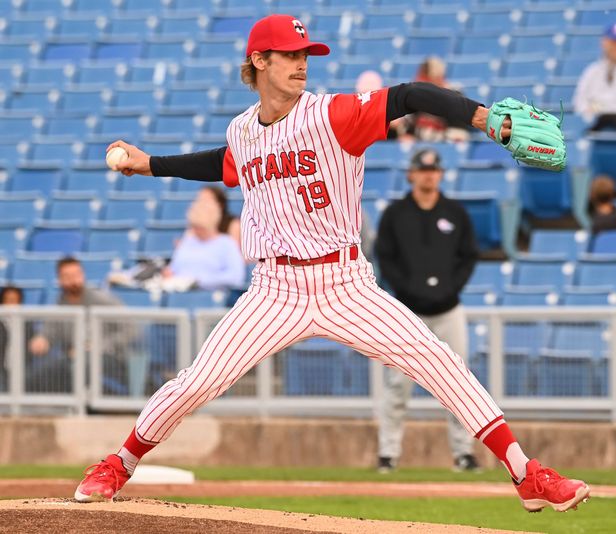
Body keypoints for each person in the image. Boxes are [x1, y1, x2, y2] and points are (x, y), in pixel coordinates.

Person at [75, 14, 589, 513]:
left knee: (439, 360)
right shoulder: (244, 132)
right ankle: (118, 464)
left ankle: (527, 474)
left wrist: (481, 118)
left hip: (345, 283)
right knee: (199, 381)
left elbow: (408, 96)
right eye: (290, 55)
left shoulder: (332, 114)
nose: (302, 64)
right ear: (259, 60)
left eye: (306, 54)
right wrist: (151, 164)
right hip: (274, 288)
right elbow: (220, 161)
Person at [375, 148, 480, 473]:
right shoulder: (395, 213)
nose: (428, 175)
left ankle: (464, 453)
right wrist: (405, 289)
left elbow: (468, 256)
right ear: (412, 173)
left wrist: (451, 288)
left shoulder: (455, 212)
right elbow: (385, 257)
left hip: (449, 310)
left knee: (459, 382)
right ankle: (388, 453)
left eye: (433, 170)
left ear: (441, 174)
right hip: (408, 313)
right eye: (423, 169)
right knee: (398, 384)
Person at [27, 257, 132, 394]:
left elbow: (130, 329)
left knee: (79, 365)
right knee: (35, 374)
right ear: (59, 280)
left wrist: (98, 345)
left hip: (109, 358)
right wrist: (42, 339)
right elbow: (49, 331)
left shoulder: (103, 299)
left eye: (77, 274)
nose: (74, 280)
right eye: (67, 276)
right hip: (71, 359)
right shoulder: (59, 304)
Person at [161, 197, 245, 291]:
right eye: (194, 226)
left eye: (200, 228)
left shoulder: (226, 244)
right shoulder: (188, 241)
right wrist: (168, 273)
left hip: (212, 295)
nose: (196, 231)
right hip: (179, 291)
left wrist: (200, 281)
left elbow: (236, 277)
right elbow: (174, 268)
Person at [573, 22, 616, 126]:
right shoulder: (593, 71)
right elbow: (580, 103)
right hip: (596, 127)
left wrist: (597, 107)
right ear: (605, 43)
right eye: (614, 42)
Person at [394, 56, 471, 142]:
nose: (421, 84)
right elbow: (406, 129)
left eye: (426, 79)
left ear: (439, 79)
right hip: (418, 148)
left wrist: (424, 137)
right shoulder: (417, 95)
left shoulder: (455, 97)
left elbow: (459, 136)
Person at [0, 285, 23, 391]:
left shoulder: (26, 324)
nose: (11, 305)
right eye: (8, 301)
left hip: (23, 370)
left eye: (15, 301)